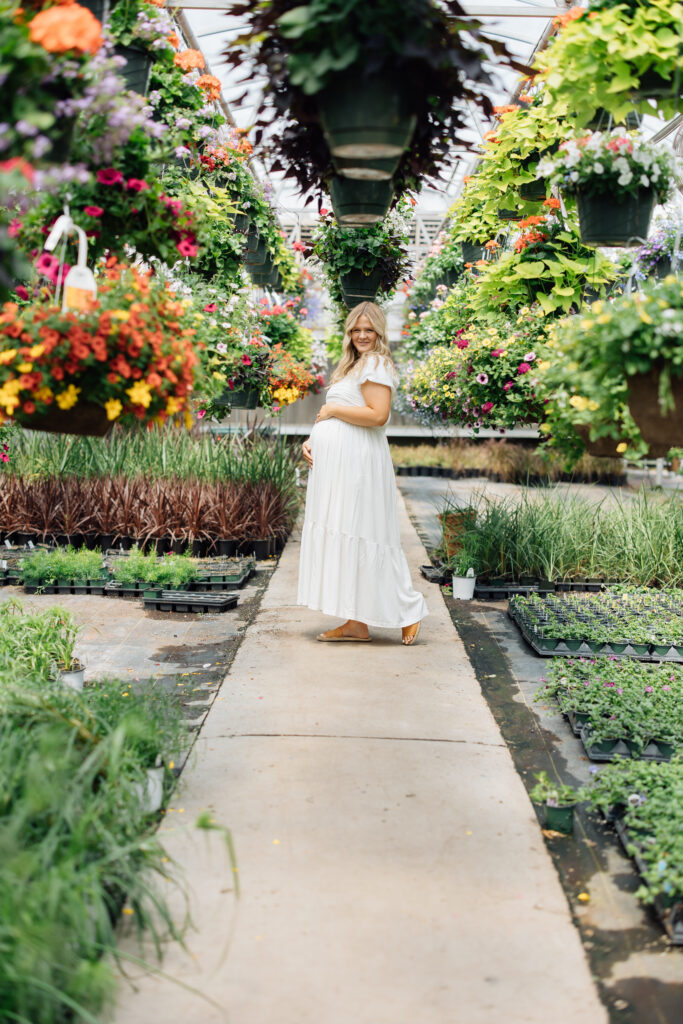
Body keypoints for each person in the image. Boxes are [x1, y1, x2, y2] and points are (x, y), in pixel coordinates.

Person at [297, 301, 428, 645]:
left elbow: (377, 414)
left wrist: (334, 408)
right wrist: (311, 441)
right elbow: (334, 416)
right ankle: (356, 622)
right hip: (340, 466)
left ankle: (409, 609)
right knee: (348, 531)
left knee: (366, 532)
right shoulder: (353, 365)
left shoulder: (376, 363)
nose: (362, 335)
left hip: (358, 467)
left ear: (379, 331)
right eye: (356, 329)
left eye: (368, 329)